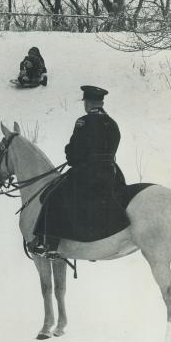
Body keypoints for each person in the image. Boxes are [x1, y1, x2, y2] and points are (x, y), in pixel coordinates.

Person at [31, 85, 129, 258]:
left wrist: (71, 156)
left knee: (54, 195)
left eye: (85, 102)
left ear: (89, 103)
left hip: (88, 173)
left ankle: (49, 245)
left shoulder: (83, 122)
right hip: (111, 173)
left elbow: (74, 151)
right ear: (101, 102)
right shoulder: (113, 124)